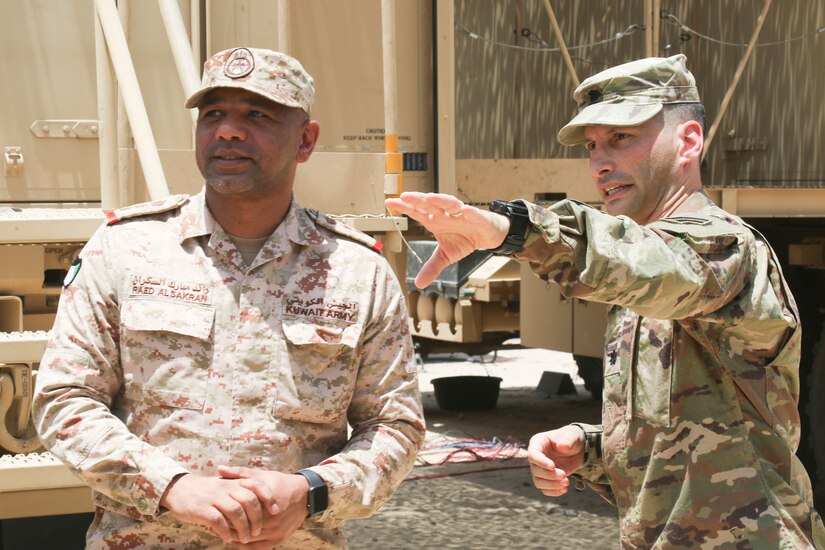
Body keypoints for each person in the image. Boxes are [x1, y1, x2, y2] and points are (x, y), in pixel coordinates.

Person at [386, 54, 825, 548]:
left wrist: (514, 229)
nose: (599, 163)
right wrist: (592, 448)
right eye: (592, 145)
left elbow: (655, 265)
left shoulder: (725, 249)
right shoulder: (635, 269)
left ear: (689, 142)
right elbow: (690, 423)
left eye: (621, 138)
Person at [32, 47, 425, 549]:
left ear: (306, 140)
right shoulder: (125, 249)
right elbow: (64, 400)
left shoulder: (357, 271)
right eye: (213, 114)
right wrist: (171, 487)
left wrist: (312, 493)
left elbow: (396, 426)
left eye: (257, 115)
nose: (228, 131)